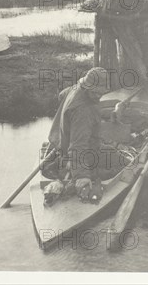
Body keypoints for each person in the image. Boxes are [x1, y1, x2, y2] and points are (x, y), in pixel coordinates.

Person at [45, 67, 111, 204]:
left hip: (60, 143)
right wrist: (82, 176)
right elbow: (78, 146)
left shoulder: (75, 89)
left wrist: (101, 114)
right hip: (80, 153)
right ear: (87, 88)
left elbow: (61, 96)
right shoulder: (83, 112)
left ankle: (65, 164)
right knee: (124, 161)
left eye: (100, 92)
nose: (98, 95)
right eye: (95, 92)